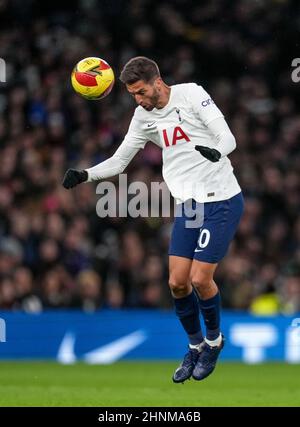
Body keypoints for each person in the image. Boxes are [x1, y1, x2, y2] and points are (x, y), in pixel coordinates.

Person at [62, 56, 244, 383]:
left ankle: (214, 342)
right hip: (189, 207)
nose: (139, 100)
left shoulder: (191, 95)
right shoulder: (142, 116)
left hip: (221, 201)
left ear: (157, 82)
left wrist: (218, 152)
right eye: (133, 94)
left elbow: (227, 137)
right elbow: (119, 161)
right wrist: (85, 174)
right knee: (177, 282)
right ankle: (194, 346)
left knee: (201, 279)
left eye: (142, 92)